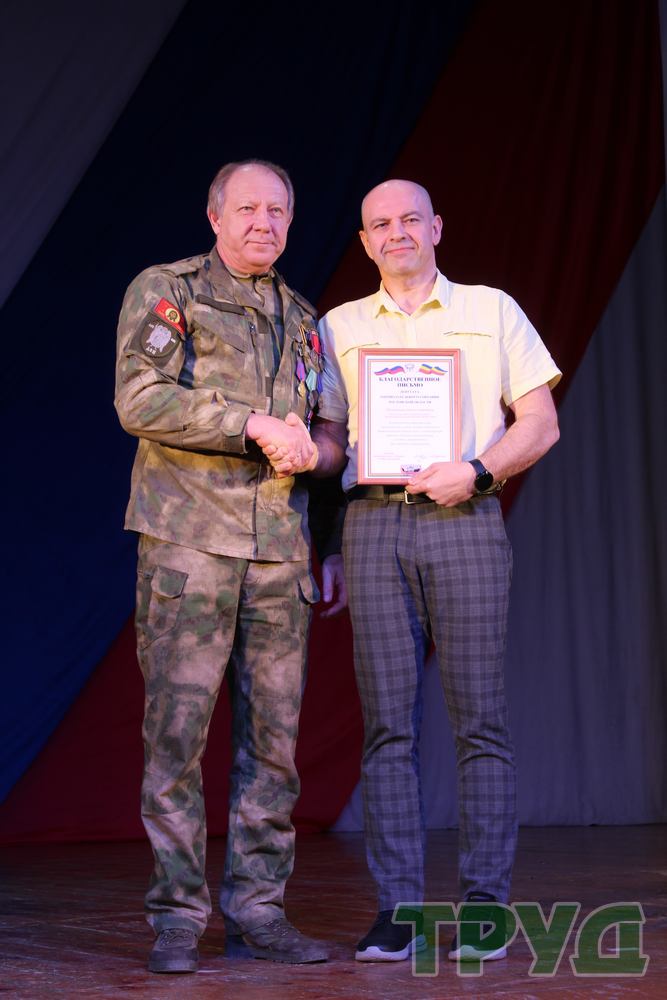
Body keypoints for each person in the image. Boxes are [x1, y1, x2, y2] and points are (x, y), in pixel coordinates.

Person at [295, 179, 561, 963]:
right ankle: (399, 911)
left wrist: (476, 472)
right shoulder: (338, 326)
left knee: (479, 722)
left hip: (464, 519)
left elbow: (539, 423)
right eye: (380, 224)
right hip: (373, 526)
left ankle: (483, 908)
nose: (397, 233)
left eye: (410, 218)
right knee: (387, 728)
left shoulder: (491, 310)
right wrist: (319, 500)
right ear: (365, 241)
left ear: (436, 227)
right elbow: (332, 441)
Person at [114, 159, 344, 974]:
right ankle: (177, 918)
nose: (262, 222)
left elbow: (330, 437)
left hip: (279, 555)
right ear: (215, 217)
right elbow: (139, 397)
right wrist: (250, 423)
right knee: (176, 740)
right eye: (246, 208)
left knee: (274, 747)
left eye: (277, 210)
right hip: (190, 548)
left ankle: (259, 913)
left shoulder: (305, 318)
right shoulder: (168, 289)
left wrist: (315, 454)